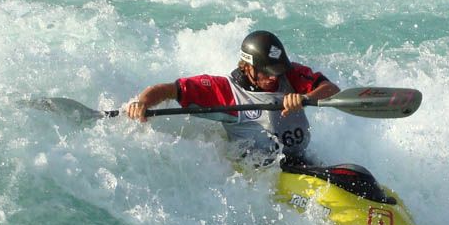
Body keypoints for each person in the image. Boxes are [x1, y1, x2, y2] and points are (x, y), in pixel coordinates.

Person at [125, 30, 340, 164]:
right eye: (266, 72)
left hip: (301, 160)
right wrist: (142, 102)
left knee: (355, 175)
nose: (273, 78)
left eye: (276, 71)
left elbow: (331, 90)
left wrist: (306, 98)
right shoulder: (226, 91)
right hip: (264, 171)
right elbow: (170, 90)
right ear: (247, 67)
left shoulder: (288, 72)